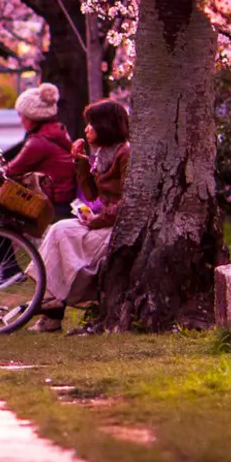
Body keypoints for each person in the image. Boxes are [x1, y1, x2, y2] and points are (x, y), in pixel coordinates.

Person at [33, 97, 131, 331]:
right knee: (58, 229)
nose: (87, 129)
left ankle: (53, 307)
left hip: (118, 226)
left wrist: (96, 221)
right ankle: (51, 306)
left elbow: (129, 202)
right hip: (103, 221)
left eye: (91, 124)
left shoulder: (125, 154)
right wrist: (81, 162)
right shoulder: (104, 153)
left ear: (105, 125)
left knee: (64, 235)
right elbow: (92, 194)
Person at [4, 83, 78, 220]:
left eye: (22, 115)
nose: (21, 120)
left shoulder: (39, 142)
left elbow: (11, 170)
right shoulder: (56, 130)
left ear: (32, 117)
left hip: (53, 206)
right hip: (64, 200)